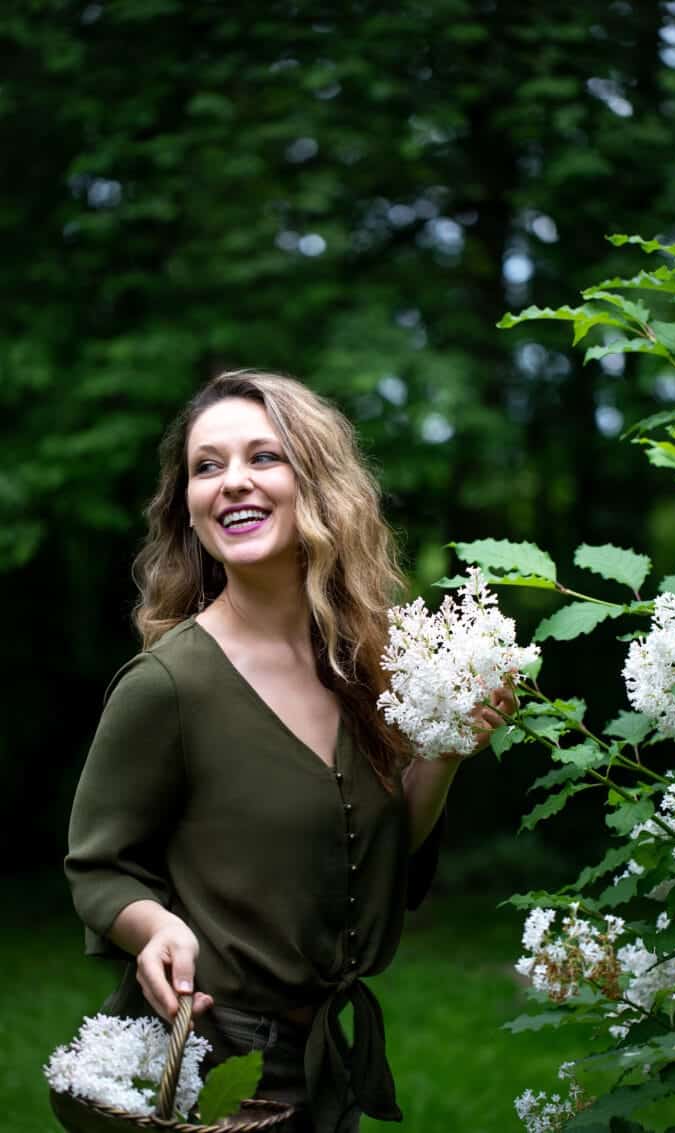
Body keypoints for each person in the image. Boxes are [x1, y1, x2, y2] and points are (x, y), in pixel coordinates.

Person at [65, 370, 513, 1133]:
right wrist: (153, 927)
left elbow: (371, 863)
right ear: (189, 510)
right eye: (207, 467)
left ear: (319, 482)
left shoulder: (366, 668)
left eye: (262, 457)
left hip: (318, 1075)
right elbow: (99, 864)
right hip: (207, 1075)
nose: (232, 481)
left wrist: (443, 754)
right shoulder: (167, 685)